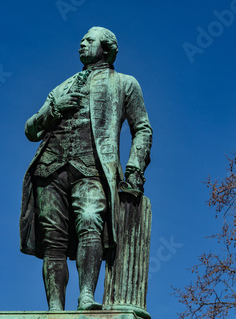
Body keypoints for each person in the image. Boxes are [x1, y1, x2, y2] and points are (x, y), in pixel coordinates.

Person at [19, 26, 152, 311]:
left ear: (107, 47)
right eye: (80, 41)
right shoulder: (62, 87)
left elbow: (142, 128)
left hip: (92, 168)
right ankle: (55, 308)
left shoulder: (125, 83)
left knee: (91, 220)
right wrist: (53, 111)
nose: (82, 44)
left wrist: (134, 169)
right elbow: (30, 130)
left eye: (89, 40)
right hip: (49, 168)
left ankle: (86, 297)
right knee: (52, 239)